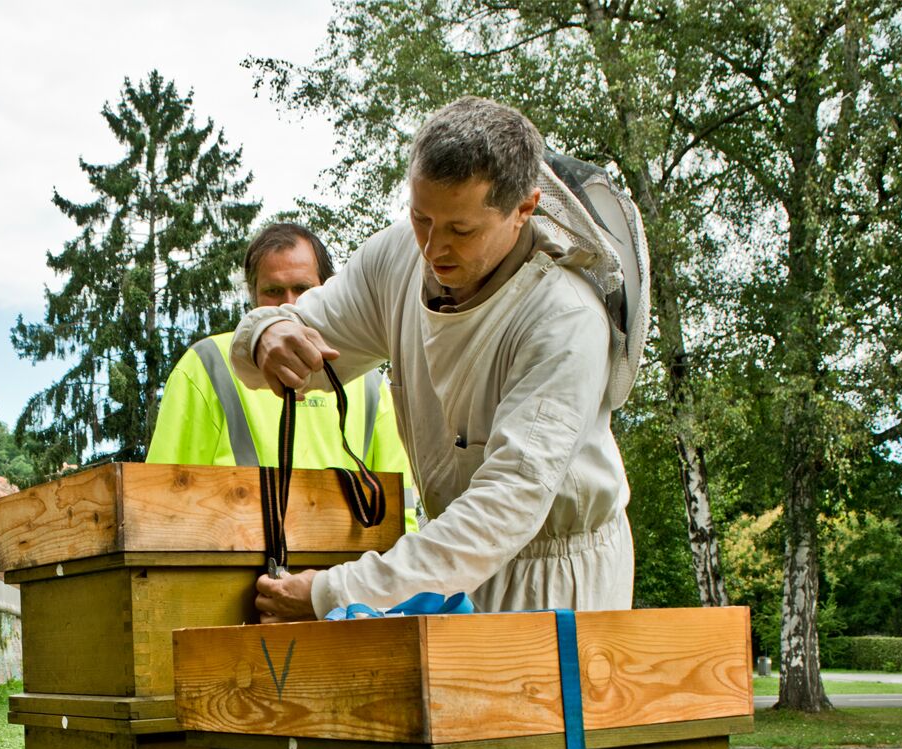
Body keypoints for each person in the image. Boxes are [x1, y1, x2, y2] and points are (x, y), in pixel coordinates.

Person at [236, 98, 637, 621]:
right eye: (421, 218)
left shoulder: (564, 318)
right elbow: (277, 345)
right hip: (444, 566)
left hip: (555, 582)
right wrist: (270, 333)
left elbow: (502, 508)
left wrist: (332, 593)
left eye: (461, 230)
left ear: (524, 208)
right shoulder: (395, 259)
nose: (433, 247)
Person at [147, 223, 417, 528]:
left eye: (302, 289)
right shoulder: (207, 364)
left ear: (327, 289)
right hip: (237, 571)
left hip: (339, 575)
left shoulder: (368, 380)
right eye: (274, 291)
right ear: (252, 294)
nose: (289, 304)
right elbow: (163, 497)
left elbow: (400, 507)